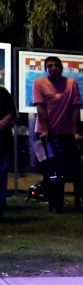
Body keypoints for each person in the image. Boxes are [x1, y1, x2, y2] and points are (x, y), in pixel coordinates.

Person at [33, 56, 83, 213]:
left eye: (57, 65)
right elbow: (41, 109)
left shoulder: (71, 83)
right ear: (46, 68)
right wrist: (46, 130)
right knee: (54, 170)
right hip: (48, 133)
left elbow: (75, 108)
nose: (54, 68)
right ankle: (56, 203)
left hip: (67, 133)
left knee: (77, 168)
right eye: (50, 66)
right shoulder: (39, 83)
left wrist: (74, 131)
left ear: (61, 67)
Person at [0, 85, 16, 217]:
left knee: (1, 171)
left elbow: (11, 112)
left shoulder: (2, 92)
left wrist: (3, 123)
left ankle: (1, 203)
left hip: (2, 138)